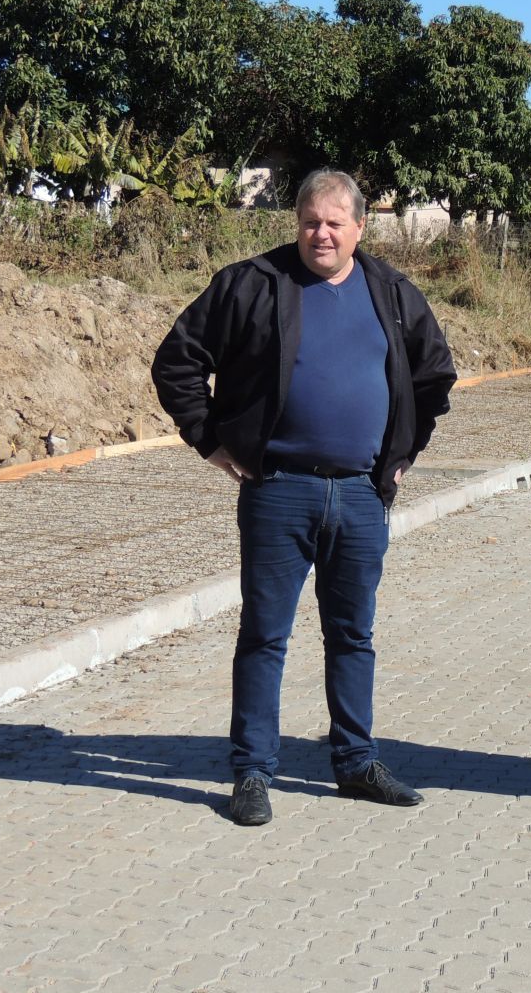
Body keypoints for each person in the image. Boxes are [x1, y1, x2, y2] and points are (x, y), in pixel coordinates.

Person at [152, 168, 456, 827]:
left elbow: (435, 376)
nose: (321, 233)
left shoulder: (393, 293)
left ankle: (355, 762)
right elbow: (177, 362)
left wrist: (402, 455)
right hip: (277, 491)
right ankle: (252, 772)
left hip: (359, 495)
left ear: (359, 228)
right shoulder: (251, 285)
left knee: (353, 636)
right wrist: (210, 442)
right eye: (310, 221)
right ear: (298, 224)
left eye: (334, 223)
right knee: (264, 637)